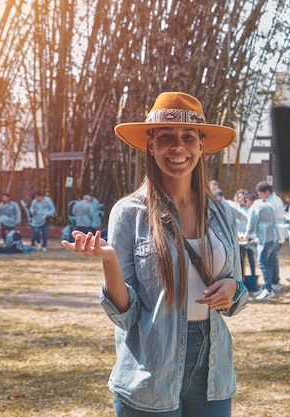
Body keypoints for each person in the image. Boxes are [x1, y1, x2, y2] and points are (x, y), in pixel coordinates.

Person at [62, 91, 248, 417]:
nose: (177, 146)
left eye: (188, 137)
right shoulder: (129, 212)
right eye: (166, 137)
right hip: (151, 366)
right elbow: (126, 315)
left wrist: (233, 289)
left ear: (202, 146)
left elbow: (239, 290)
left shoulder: (221, 213)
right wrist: (110, 262)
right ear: (151, 145)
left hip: (214, 368)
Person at [243, 192, 279, 300]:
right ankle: (268, 287)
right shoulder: (267, 205)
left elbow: (250, 226)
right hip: (274, 238)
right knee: (269, 263)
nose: (247, 206)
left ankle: (268, 290)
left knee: (262, 263)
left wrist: (246, 236)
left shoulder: (254, 207)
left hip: (265, 240)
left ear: (248, 201)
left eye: (246, 204)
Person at [255, 181, 286, 291]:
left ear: (267, 192)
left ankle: (271, 284)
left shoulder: (272, 202)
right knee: (273, 260)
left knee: (267, 261)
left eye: (261, 194)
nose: (260, 196)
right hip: (276, 234)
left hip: (272, 234)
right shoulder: (274, 200)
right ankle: (275, 282)